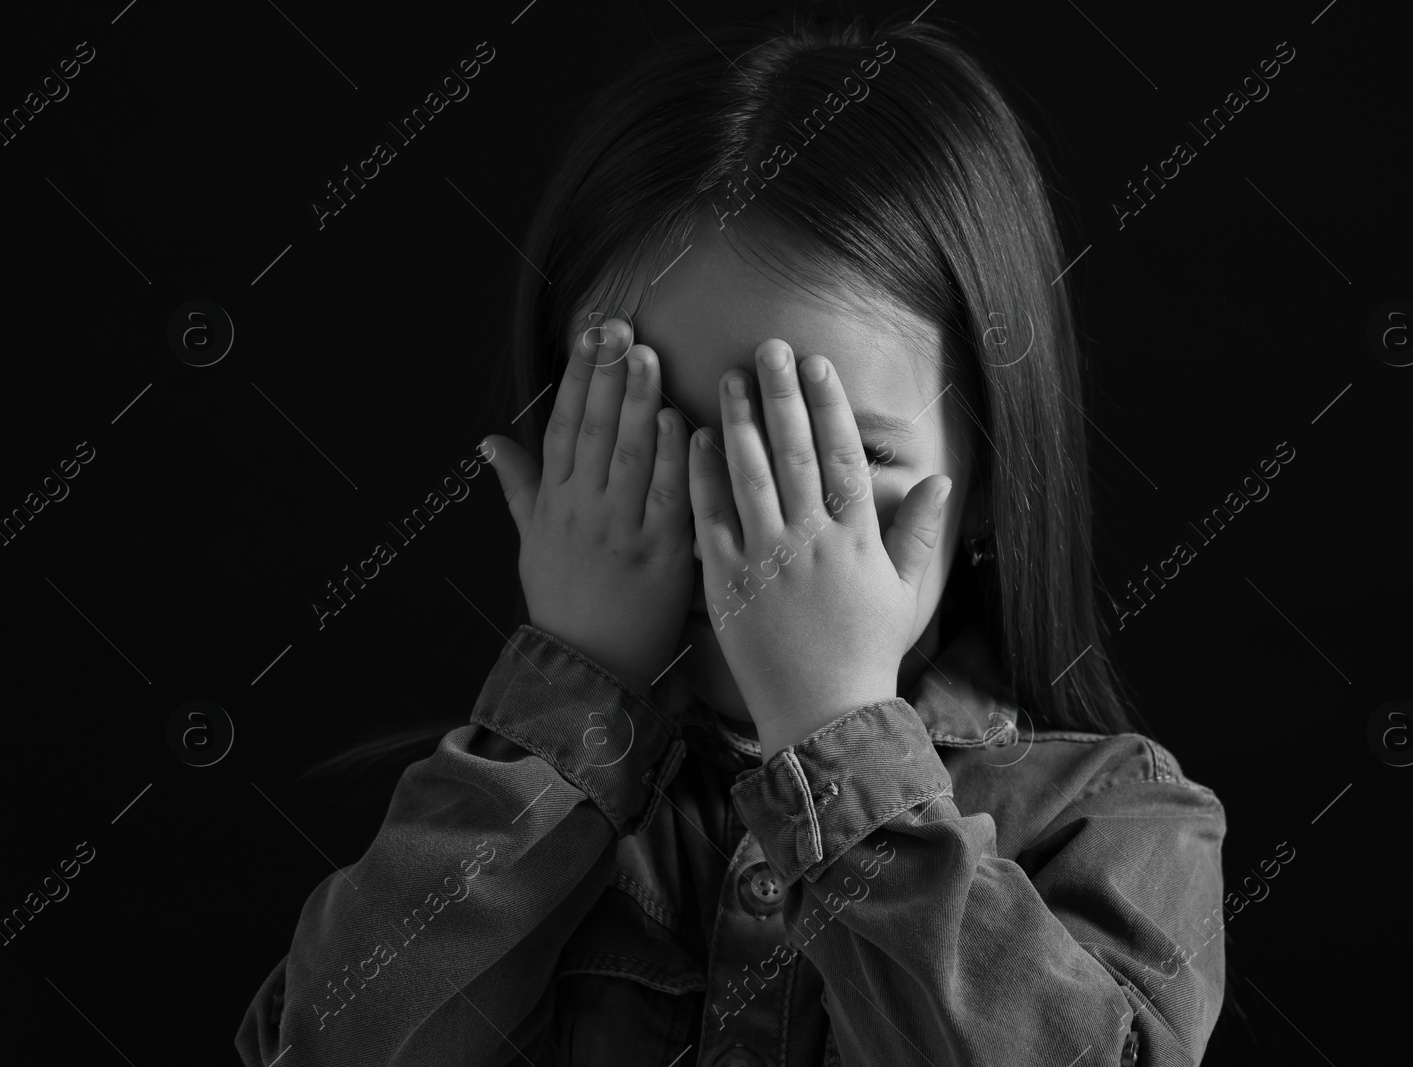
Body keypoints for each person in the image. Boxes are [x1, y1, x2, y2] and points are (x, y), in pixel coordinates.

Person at [237, 11, 1228, 1065]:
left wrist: (836, 723)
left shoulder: (1116, 820)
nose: (747, 546)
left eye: (834, 466)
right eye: (661, 447)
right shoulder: (482, 815)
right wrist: (568, 705)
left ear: (987, 478)